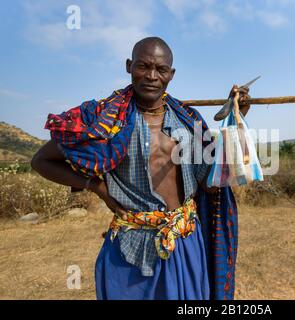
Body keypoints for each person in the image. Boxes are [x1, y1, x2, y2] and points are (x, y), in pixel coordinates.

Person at [31, 37, 251, 300]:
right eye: (143, 66)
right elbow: (41, 161)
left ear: (171, 74)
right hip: (129, 252)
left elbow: (209, 182)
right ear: (128, 66)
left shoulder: (187, 120)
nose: (151, 76)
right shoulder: (104, 121)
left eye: (161, 70)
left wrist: (235, 119)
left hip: (184, 243)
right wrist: (98, 187)